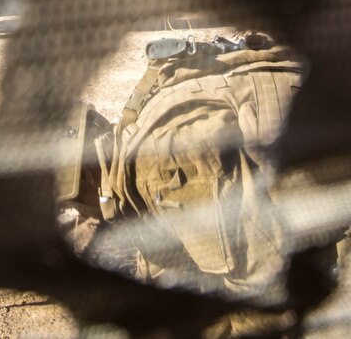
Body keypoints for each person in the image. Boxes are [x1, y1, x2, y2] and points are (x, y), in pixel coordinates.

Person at [58, 34, 310, 308]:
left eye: (74, 203)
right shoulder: (137, 143)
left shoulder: (160, 169)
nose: (81, 213)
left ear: (87, 175)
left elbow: (261, 280)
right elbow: (163, 258)